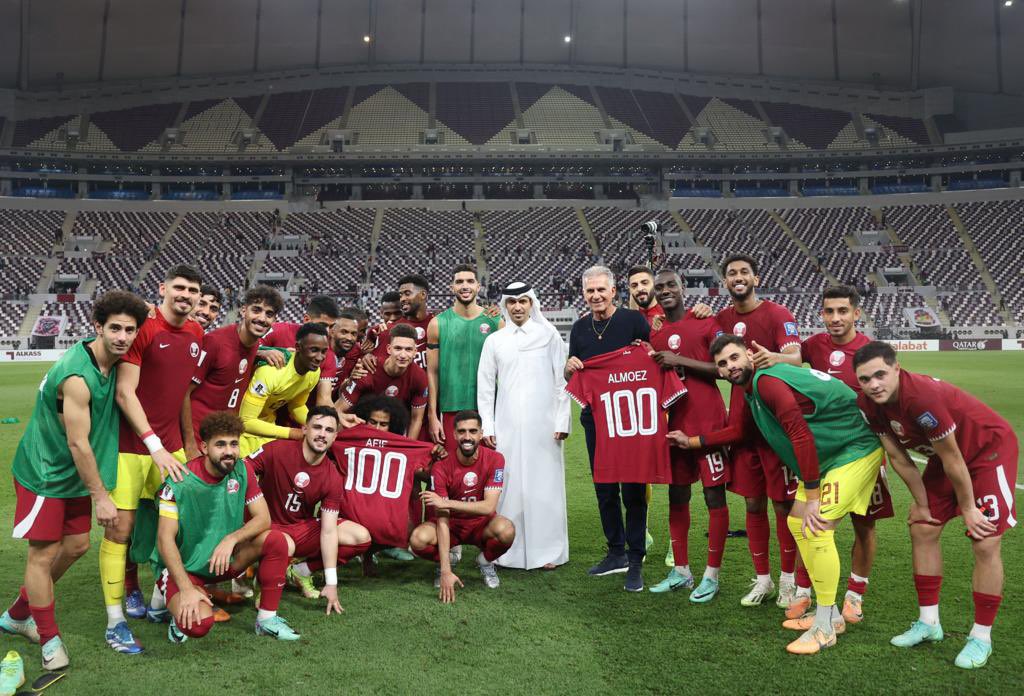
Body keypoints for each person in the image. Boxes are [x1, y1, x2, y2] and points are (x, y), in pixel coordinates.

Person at [669, 334, 884, 655]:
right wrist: (694, 441)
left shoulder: (768, 382)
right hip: (832, 454)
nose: (730, 367)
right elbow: (741, 431)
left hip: (854, 448)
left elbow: (798, 432)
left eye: (734, 358)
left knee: (815, 526)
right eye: (722, 364)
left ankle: (825, 625)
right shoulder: (752, 389)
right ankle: (832, 614)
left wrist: (812, 494)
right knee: (799, 525)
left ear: (748, 356)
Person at [1, 292, 148, 671]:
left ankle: (18, 613)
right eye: (114, 328)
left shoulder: (113, 363)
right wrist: (101, 496)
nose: (122, 336)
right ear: (97, 327)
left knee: (79, 545)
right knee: (43, 554)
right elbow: (78, 442)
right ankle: (48, 639)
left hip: (78, 474)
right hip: (46, 473)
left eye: (129, 330)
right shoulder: (77, 376)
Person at [854, 341, 1018, 670]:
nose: (874, 385)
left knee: (985, 540)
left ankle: (981, 637)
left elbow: (955, 458)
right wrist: (922, 503)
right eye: (865, 379)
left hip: (987, 452)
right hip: (948, 460)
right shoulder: (869, 404)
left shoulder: (921, 398)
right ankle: (929, 624)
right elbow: (899, 457)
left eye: (880, 375)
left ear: (897, 368)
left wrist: (969, 508)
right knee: (922, 527)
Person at [102, 265, 202, 653]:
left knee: (174, 527)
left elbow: (181, 395)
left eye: (192, 290)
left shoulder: (195, 333)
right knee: (120, 530)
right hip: (132, 447)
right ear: (162, 288)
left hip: (171, 449)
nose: (186, 295)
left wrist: (186, 443)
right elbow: (126, 394)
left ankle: (164, 596)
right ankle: (116, 620)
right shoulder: (142, 328)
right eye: (179, 287)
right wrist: (153, 444)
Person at [155, 412, 300, 642]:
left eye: (234, 443)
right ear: (204, 447)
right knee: (198, 624)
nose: (229, 451)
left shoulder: (242, 470)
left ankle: (266, 620)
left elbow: (263, 518)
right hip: (186, 568)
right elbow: (164, 540)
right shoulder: (179, 481)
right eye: (220, 444)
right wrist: (186, 588)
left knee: (277, 541)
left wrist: (231, 539)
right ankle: (171, 602)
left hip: (223, 559)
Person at [797, 285, 893, 623]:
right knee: (810, 520)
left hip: (863, 451)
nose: (835, 318)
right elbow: (790, 362)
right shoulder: (812, 346)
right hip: (823, 452)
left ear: (856, 313)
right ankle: (806, 590)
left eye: (842, 311)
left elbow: (890, 396)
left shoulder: (871, 350)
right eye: (829, 311)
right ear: (821, 314)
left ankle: (854, 595)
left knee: (864, 524)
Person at [715, 254, 802, 608]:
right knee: (752, 503)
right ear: (725, 282)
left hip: (774, 423)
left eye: (744, 272)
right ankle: (763, 580)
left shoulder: (778, 314)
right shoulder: (721, 319)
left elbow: (797, 357)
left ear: (756, 278)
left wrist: (772, 358)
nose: (738, 277)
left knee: (782, 504)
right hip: (742, 426)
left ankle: (787, 581)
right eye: (732, 273)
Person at [564, 266, 658, 592]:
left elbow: (653, 362)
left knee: (633, 489)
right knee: (604, 488)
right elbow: (573, 374)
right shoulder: (578, 329)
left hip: (630, 420)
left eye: (601, 290)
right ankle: (615, 551)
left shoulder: (634, 321)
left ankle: (635, 558)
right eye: (590, 291)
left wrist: (645, 351)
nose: (596, 296)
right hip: (596, 420)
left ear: (614, 290)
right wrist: (569, 367)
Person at [646, 270, 730, 602]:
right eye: (659, 288)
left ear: (683, 289)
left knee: (714, 498)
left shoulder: (705, 322)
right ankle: (681, 571)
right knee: (677, 497)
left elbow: (723, 369)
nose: (665, 291)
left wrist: (679, 359)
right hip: (674, 427)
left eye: (670, 286)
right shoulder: (656, 334)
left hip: (708, 424)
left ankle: (711, 575)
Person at [476, 281, 570, 570]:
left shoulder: (549, 335)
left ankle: (548, 553)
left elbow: (561, 381)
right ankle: (508, 550)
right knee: (509, 486)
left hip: (545, 427)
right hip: (507, 426)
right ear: (505, 305)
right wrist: (488, 427)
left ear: (532, 304)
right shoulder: (495, 340)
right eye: (512, 302)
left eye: (523, 301)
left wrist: (562, 419)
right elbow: (485, 386)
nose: (517, 307)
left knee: (545, 488)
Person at [245, 407, 371, 609]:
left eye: (329, 430)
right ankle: (262, 580)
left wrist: (332, 582)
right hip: (262, 525)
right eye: (317, 427)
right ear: (305, 429)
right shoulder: (276, 450)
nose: (322, 434)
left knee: (360, 536)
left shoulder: (332, 477)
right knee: (285, 544)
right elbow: (242, 471)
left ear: (335, 436)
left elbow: (329, 531)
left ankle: (301, 570)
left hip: (298, 527)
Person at [410, 411, 515, 602]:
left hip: (481, 525)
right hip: (451, 527)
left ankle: (484, 561)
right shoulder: (441, 467)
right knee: (418, 539)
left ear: (481, 433)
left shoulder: (495, 459)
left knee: (506, 530)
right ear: (454, 434)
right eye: (462, 431)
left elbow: (489, 507)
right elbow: (442, 520)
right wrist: (445, 571)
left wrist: (447, 502)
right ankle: (448, 560)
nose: (467, 437)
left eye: (473, 431)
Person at [182, 285, 284, 458]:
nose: (262, 318)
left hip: (224, 438)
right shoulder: (214, 342)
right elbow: (184, 392)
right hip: (199, 438)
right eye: (256, 310)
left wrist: (261, 352)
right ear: (244, 310)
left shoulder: (255, 347)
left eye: (269, 314)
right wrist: (190, 442)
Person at [425, 265, 502, 446]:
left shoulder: (496, 322)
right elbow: (432, 373)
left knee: (488, 468)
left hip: (488, 409)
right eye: (459, 282)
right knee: (454, 469)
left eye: (470, 281)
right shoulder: (437, 323)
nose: (464, 286)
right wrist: (433, 416)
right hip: (451, 407)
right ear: (452, 287)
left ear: (478, 287)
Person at [238, 323, 329, 456]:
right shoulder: (271, 372)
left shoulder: (314, 373)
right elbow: (245, 421)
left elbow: (297, 405)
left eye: (324, 351)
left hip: (267, 428)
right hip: (240, 431)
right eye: (314, 350)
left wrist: (314, 423)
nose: (320, 357)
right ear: (298, 347)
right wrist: (291, 433)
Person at [339, 323, 428, 440]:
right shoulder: (368, 370)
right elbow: (338, 409)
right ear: (389, 349)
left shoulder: (419, 377)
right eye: (398, 348)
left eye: (408, 349)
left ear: (415, 351)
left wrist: (407, 450)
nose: (403, 355)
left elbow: (416, 419)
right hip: (360, 425)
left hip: (393, 430)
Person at [260, 295, 340, 408]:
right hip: (255, 405)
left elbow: (324, 399)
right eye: (323, 325)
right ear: (307, 320)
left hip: (294, 415)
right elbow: (248, 350)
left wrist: (337, 418)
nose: (326, 331)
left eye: (331, 326)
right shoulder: (279, 331)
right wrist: (268, 352)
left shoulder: (328, 356)